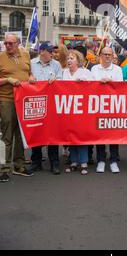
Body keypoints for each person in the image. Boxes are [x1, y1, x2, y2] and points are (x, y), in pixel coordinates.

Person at [0, 33, 35, 182]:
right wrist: (7, 79)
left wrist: (32, 76)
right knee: (7, 134)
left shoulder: (26, 55)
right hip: (6, 99)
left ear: (18, 44)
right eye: (6, 43)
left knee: (21, 134)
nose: (7, 46)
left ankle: (18, 164)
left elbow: (29, 72)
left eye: (10, 43)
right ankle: (4, 167)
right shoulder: (1, 57)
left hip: (23, 99)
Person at [29, 42, 63, 175]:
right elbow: (27, 79)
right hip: (36, 102)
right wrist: (30, 77)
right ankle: (36, 161)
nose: (53, 54)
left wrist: (56, 81)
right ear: (42, 51)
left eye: (53, 51)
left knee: (52, 133)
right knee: (36, 130)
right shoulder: (31, 64)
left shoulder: (56, 65)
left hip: (52, 104)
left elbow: (61, 81)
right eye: (50, 51)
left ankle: (54, 162)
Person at [91, 46, 123, 173]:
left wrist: (111, 82)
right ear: (101, 56)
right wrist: (100, 82)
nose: (107, 57)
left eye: (109, 54)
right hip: (98, 106)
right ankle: (101, 160)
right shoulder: (94, 69)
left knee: (113, 135)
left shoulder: (117, 70)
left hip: (113, 106)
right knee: (100, 135)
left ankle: (114, 160)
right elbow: (90, 85)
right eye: (105, 54)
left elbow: (120, 86)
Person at [63, 50, 93, 175]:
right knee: (70, 135)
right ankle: (73, 161)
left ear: (78, 60)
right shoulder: (64, 72)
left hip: (82, 109)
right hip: (67, 109)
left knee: (81, 135)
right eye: (68, 58)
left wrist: (84, 81)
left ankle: (84, 162)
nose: (69, 60)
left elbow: (93, 86)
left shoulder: (85, 72)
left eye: (72, 58)